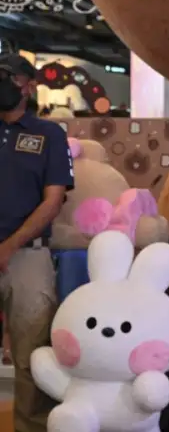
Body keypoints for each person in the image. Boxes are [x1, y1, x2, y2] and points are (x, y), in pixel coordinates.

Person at [0, 53, 74, 432]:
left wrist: (10, 245)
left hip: (27, 257)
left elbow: (53, 200)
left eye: (8, 77)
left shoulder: (49, 135)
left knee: (32, 358)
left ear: (28, 87)